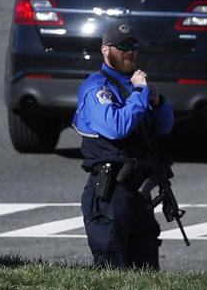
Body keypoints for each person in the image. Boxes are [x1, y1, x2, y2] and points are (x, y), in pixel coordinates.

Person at [72, 21, 175, 269]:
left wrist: (158, 101)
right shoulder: (97, 87)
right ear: (106, 50)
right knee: (112, 268)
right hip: (110, 194)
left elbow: (164, 127)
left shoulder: (137, 88)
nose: (129, 51)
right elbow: (116, 127)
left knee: (146, 266)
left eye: (133, 46)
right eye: (122, 46)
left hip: (138, 194)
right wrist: (140, 93)